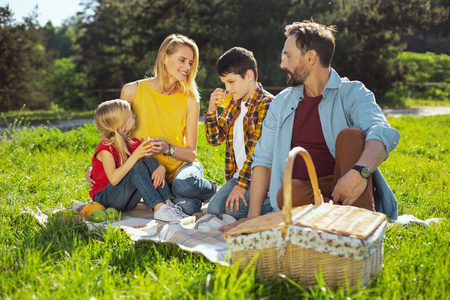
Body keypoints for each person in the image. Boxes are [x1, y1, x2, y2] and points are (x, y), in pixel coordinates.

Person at [220, 20, 400, 231]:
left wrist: (361, 173)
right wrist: (253, 217)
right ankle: (339, 221)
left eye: (288, 56)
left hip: (348, 183)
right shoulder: (281, 102)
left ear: (310, 57)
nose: (282, 64)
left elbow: (381, 132)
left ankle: (361, 227)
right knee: (289, 192)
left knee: (351, 136)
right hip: (307, 195)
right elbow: (263, 158)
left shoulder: (352, 92)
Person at [89, 34, 216, 215]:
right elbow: (114, 132)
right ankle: (175, 199)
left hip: (180, 168)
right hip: (149, 172)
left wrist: (167, 149)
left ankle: (210, 189)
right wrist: (95, 169)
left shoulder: (190, 98)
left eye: (190, 62)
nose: (188, 67)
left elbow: (191, 153)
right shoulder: (132, 91)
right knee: (187, 207)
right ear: (164, 57)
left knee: (184, 185)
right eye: (182, 60)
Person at [204, 47, 274, 220]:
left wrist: (242, 186)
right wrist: (212, 111)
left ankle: (274, 201)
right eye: (224, 83)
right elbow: (214, 139)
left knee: (232, 213)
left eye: (231, 82)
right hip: (238, 176)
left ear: (249, 76)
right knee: (214, 210)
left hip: (261, 178)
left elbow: (257, 152)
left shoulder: (267, 104)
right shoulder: (234, 104)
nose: (227, 89)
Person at [90, 99, 187, 221]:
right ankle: (158, 207)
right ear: (122, 125)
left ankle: (168, 203)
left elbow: (150, 163)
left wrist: (161, 168)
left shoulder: (133, 142)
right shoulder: (105, 146)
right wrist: (135, 155)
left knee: (149, 162)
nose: (134, 115)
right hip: (105, 200)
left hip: (127, 202)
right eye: (131, 115)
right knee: (135, 165)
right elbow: (114, 179)